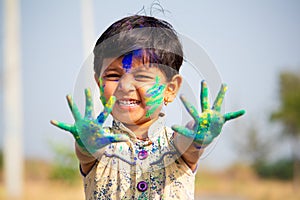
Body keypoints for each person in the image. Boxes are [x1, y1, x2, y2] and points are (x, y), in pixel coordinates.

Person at [51, 15, 245, 199]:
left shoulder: (176, 143)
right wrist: (86, 143)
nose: (125, 87)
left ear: (170, 89)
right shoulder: (100, 144)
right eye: (113, 76)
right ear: (98, 82)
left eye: (142, 77)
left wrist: (199, 134)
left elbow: (190, 144)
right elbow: (86, 151)